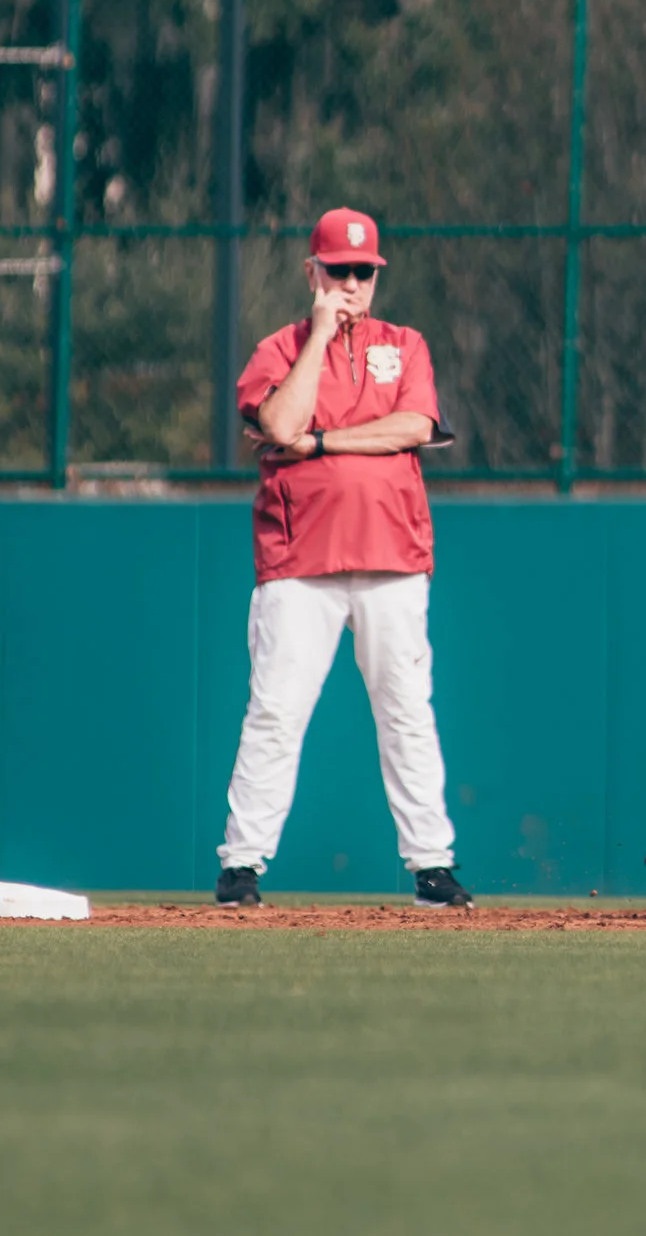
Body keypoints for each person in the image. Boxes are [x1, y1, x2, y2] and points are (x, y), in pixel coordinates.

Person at [212, 208, 475, 911]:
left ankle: (432, 864)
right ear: (313, 272)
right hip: (301, 556)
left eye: (364, 271)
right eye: (339, 270)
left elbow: (415, 425)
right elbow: (277, 422)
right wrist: (322, 332)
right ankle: (241, 863)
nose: (353, 282)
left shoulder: (405, 344)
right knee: (276, 708)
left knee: (406, 709)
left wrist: (325, 442)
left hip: (393, 552)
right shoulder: (281, 347)